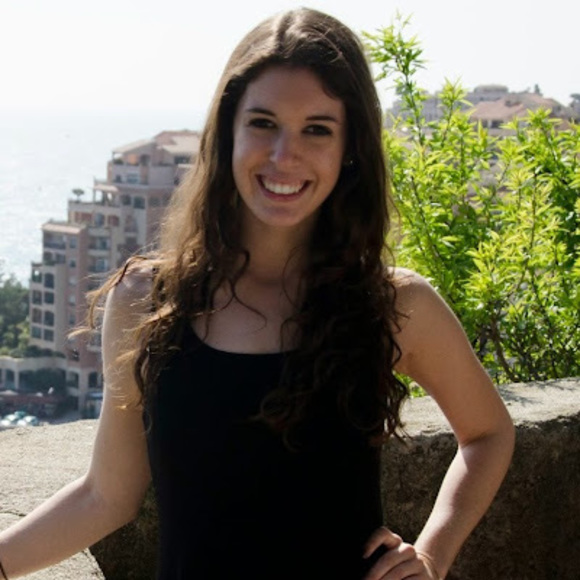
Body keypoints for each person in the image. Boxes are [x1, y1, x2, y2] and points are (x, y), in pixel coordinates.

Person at [0, 7, 514, 580]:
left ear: (350, 147)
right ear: (228, 133)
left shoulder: (394, 305)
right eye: (264, 123)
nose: (283, 156)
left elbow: (489, 434)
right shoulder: (147, 301)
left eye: (317, 129)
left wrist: (433, 556)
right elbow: (105, 496)